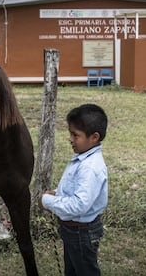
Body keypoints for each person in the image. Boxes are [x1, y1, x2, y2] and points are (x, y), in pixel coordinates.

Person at [39, 103, 108, 276]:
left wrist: (48, 201)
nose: (70, 139)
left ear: (94, 137)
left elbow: (79, 205)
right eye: (70, 133)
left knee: (84, 271)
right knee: (73, 270)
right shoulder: (82, 158)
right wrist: (57, 194)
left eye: (75, 135)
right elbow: (75, 189)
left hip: (81, 233)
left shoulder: (90, 167)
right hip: (74, 231)